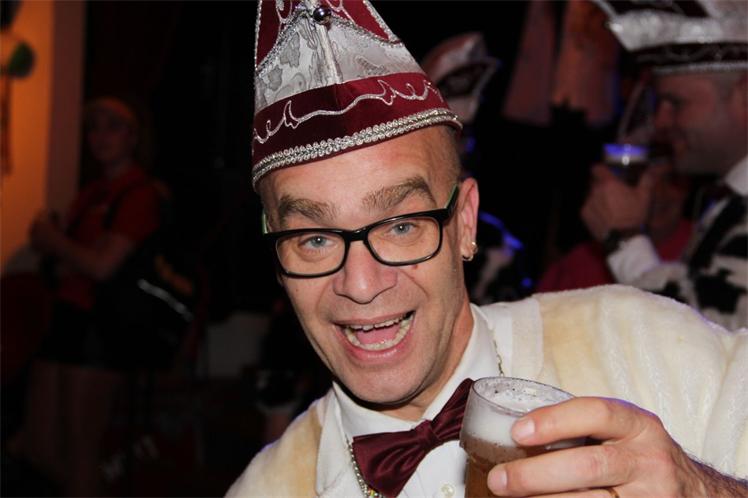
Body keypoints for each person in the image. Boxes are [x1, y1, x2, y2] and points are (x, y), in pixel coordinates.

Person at [228, 1, 747, 497]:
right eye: (315, 240)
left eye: (402, 226)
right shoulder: (269, 489)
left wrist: (704, 490)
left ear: (465, 222)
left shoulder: (641, 343)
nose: (361, 285)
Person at [8, 96, 163, 496]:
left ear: (133, 136)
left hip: (102, 327)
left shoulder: (139, 192)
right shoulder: (91, 193)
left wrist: (54, 241)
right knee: (36, 445)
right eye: (94, 127)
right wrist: (64, 250)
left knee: (81, 450)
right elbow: (72, 263)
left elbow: (101, 266)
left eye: (112, 126)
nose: (100, 136)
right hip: (65, 318)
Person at [582, 0, 748, 331]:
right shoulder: (726, 202)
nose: (660, 122)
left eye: (675, 103)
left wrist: (624, 238)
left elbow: (713, 336)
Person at [540, 162, 693, 292]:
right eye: (636, 180)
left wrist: (622, 238)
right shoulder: (577, 265)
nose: (657, 193)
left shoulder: (701, 253)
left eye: (671, 180)